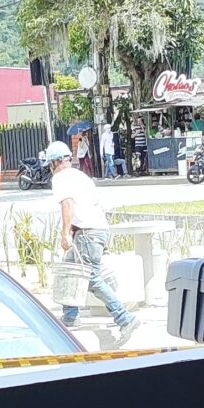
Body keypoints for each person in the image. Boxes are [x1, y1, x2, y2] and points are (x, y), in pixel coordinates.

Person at [48, 142, 136, 346]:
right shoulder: (81, 176)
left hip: (87, 233)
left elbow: (67, 205)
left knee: (91, 278)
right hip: (97, 230)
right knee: (69, 270)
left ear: (54, 163)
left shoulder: (60, 178)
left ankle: (124, 317)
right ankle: (70, 315)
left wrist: (65, 233)